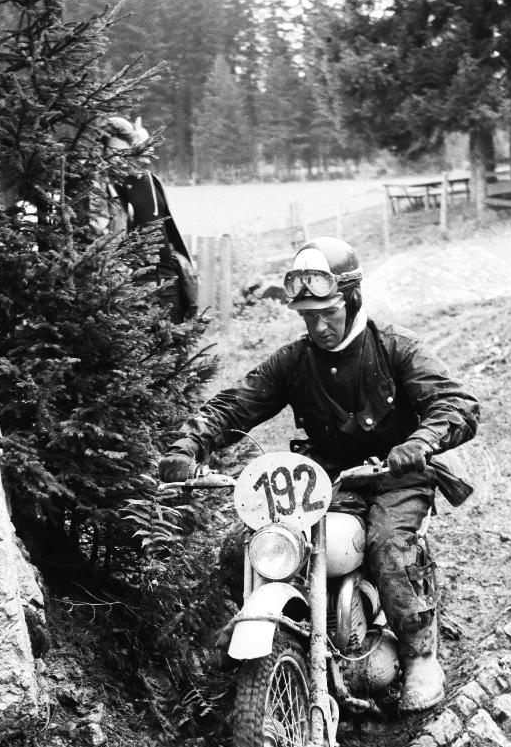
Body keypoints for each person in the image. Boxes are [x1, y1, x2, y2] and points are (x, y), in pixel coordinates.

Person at [158, 236, 480, 712]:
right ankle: (277, 633)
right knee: (250, 545)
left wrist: (419, 442)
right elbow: (234, 405)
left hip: (398, 474)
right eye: (309, 316)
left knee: (387, 545)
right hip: (328, 478)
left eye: (328, 312)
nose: (320, 326)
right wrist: (188, 444)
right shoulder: (294, 361)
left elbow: (458, 404)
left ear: (352, 299)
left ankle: (419, 654)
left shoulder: (395, 347)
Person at [93, 116, 198, 323]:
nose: (121, 159)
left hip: (168, 282)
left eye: (126, 152)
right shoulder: (104, 189)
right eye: (114, 152)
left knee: (175, 341)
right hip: (133, 286)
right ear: (103, 153)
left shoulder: (149, 180)